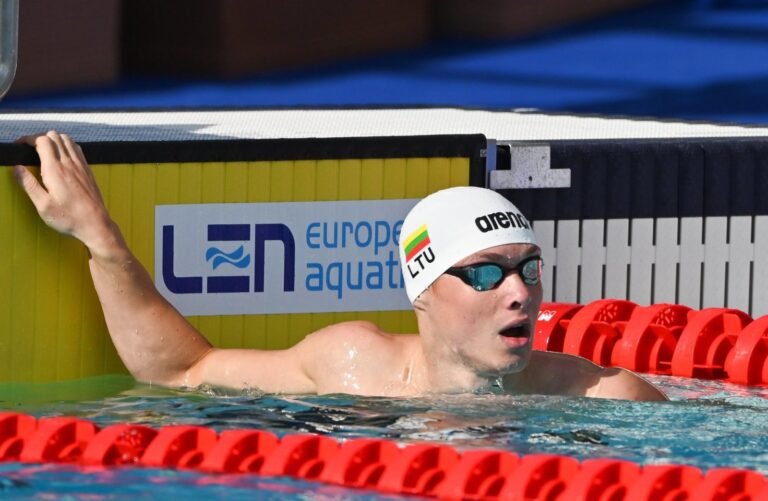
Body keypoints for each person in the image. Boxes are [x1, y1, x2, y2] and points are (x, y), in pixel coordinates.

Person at [14, 131, 667, 401]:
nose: (520, 292)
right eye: (485, 273)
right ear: (422, 289)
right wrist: (101, 240)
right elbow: (181, 370)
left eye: (529, 268)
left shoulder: (600, 396)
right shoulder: (353, 364)